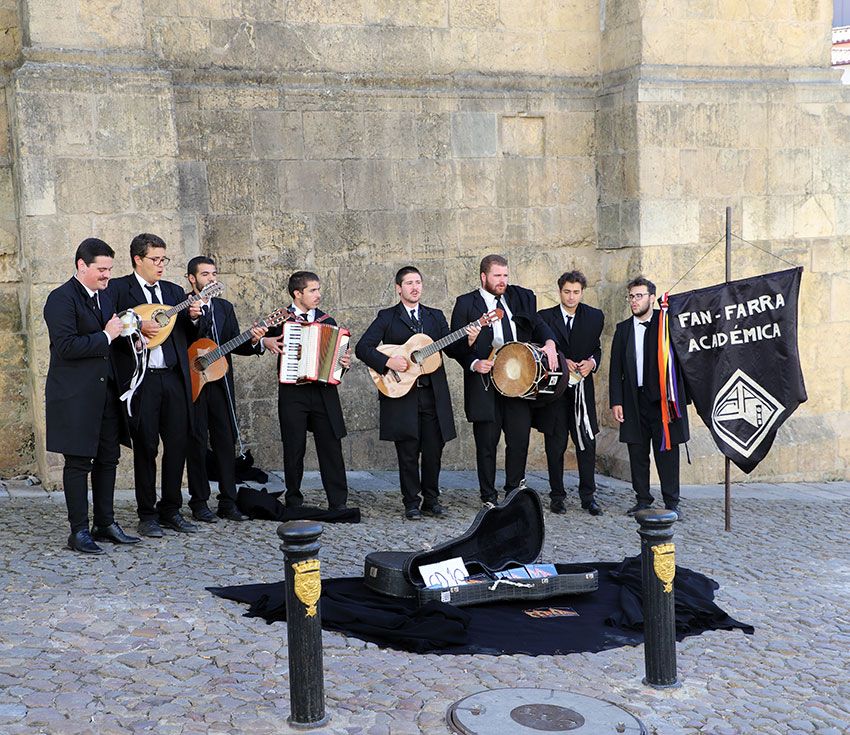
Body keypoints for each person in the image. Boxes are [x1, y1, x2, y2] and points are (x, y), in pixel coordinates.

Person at [43, 238, 140, 554]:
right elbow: (67, 347)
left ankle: (105, 522)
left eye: (110, 269)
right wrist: (106, 335)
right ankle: (79, 531)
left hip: (107, 392)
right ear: (81, 266)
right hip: (75, 395)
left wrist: (130, 343)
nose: (107, 276)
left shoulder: (107, 295)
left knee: (109, 457)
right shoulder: (60, 299)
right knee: (78, 462)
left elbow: (111, 341)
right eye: (101, 269)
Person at [447, 254, 558, 506]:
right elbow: (453, 347)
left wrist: (550, 343)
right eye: (497, 276)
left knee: (519, 440)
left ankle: (513, 492)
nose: (502, 281)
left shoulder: (519, 297)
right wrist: (474, 360)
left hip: (518, 380)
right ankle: (488, 496)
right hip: (484, 383)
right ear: (483, 276)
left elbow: (538, 323)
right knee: (486, 444)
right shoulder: (466, 303)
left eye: (505, 275)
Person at [109, 233, 201, 537]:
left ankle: (171, 509)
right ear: (138, 259)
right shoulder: (120, 288)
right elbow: (110, 323)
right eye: (155, 260)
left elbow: (186, 332)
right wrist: (136, 325)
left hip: (173, 377)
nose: (161, 265)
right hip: (143, 381)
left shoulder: (174, 292)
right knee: (146, 445)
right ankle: (147, 514)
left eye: (164, 260)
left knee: (177, 443)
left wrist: (194, 317)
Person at [355, 266, 457, 520]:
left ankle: (431, 500)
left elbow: (450, 345)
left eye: (418, 282)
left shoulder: (435, 316)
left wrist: (469, 336)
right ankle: (411, 502)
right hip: (403, 395)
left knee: (434, 449)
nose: (415, 287)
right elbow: (363, 348)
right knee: (408, 452)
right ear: (399, 289)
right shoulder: (387, 317)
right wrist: (388, 362)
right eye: (409, 283)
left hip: (433, 395)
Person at [184, 256, 266, 524]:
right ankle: (199, 502)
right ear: (192, 279)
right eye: (205, 274)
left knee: (225, 440)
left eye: (214, 274)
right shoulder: (184, 307)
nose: (211, 278)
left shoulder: (224, 308)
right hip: (195, 383)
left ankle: (228, 501)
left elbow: (234, 344)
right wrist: (194, 319)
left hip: (220, 384)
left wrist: (253, 340)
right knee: (196, 442)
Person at [261, 271, 351, 510]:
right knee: (294, 447)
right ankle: (293, 500)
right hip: (293, 392)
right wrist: (264, 342)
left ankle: (338, 502)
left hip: (323, 392)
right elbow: (254, 340)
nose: (318, 295)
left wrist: (343, 364)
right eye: (312, 290)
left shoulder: (327, 321)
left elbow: (337, 362)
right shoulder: (280, 319)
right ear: (297, 293)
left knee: (331, 446)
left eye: (318, 290)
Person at [609, 276, 689, 518]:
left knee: (667, 452)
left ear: (652, 298)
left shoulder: (666, 326)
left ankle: (672, 501)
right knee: (637, 452)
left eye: (639, 296)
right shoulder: (623, 330)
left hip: (663, 400)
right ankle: (642, 499)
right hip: (634, 400)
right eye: (631, 296)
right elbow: (616, 369)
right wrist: (616, 401)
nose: (634, 301)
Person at [533, 270, 604, 516]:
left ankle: (589, 496)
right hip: (556, 393)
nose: (571, 297)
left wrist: (592, 363)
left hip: (583, 390)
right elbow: (540, 351)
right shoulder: (544, 317)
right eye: (567, 292)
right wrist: (565, 361)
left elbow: (597, 348)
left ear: (582, 292)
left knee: (587, 444)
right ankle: (557, 496)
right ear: (559, 291)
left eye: (576, 292)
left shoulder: (595, 317)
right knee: (555, 445)